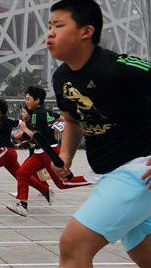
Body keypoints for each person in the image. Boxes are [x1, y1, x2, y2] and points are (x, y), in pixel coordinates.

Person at [46, 0, 151, 267]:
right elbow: (72, 120)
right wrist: (66, 155)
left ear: (86, 32)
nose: (50, 33)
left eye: (59, 25)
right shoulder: (62, 77)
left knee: (74, 245)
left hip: (142, 172)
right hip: (110, 175)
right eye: (49, 25)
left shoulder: (118, 67)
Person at [6, 86, 90, 217]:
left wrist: (23, 128)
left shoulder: (35, 115)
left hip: (48, 152)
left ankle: (93, 178)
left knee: (63, 183)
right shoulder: (47, 112)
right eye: (26, 99)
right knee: (22, 172)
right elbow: (61, 118)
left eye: (28, 99)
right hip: (40, 151)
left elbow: (36, 135)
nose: (26, 101)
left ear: (37, 100)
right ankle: (23, 205)